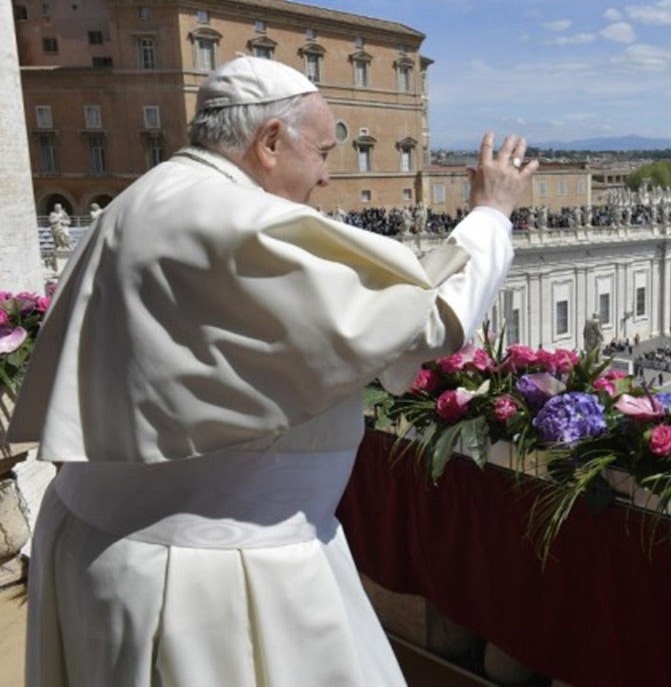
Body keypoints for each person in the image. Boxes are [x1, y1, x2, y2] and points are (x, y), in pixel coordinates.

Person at [11, 55, 539, 686]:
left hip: (101, 545)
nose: (324, 176)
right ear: (269, 141)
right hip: (209, 578)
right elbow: (425, 322)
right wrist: (490, 216)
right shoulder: (237, 221)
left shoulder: (144, 197)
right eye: (320, 152)